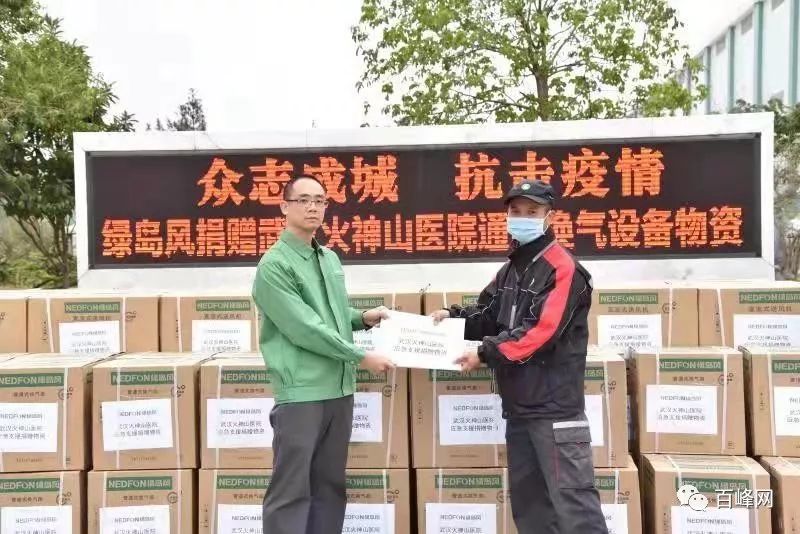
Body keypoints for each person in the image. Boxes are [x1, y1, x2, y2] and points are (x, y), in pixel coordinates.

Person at [431, 179, 608, 534]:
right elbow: (488, 315)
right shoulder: (513, 268)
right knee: (531, 508)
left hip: (555, 411)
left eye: (532, 211)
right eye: (516, 211)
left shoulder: (564, 268)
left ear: (549, 216)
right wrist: (452, 319)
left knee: (575, 508)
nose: (522, 217)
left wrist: (485, 353)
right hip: (519, 409)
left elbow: (541, 332)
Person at [252, 174, 395, 534]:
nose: (313, 207)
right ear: (284, 207)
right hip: (303, 392)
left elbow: (331, 315)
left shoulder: (328, 258)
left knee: (329, 487)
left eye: (320, 200)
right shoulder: (274, 266)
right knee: (291, 489)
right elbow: (304, 327)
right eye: (303, 200)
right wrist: (360, 357)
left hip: (339, 389)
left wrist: (362, 318)